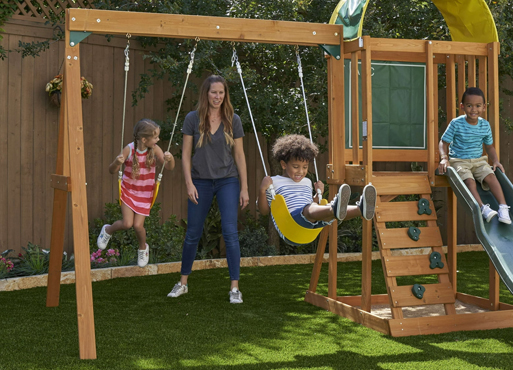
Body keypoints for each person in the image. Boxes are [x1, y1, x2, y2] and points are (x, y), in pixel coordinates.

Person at [167, 75, 249, 302]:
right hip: (200, 181)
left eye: (221, 92)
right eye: (214, 92)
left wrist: (244, 188)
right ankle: (182, 283)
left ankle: (234, 288)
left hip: (227, 181)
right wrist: (189, 184)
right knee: (193, 233)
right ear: (206, 94)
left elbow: (240, 155)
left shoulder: (233, 119)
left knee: (230, 233)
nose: (218, 97)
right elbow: (185, 155)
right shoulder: (193, 119)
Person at [257, 134, 377, 245]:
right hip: (291, 226)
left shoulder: (307, 182)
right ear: (284, 165)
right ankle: (334, 207)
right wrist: (262, 190)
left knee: (328, 214)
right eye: (295, 167)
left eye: (305, 167)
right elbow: (264, 211)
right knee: (312, 209)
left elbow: (312, 205)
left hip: (310, 226)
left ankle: (361, 209)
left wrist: (316, 196)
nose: (301, 171)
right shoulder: (273, 182)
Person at [97, 119, 175, 267]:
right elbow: (111, 170)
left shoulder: (155, 150)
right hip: (128, 191)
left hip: (145, 194)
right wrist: (117, 162)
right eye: (155, 137)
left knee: (138, 226)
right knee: (127, 224)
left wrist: (169, 160)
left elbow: (169, 167)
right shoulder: (129, 149)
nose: (158, 140)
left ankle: (142, 248)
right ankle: (108, 230)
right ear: (144, 139)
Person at [436, 87, 511, 224]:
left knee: (491, 177)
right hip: (459, 161)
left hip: (479, 161)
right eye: (469, 106)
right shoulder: (456, 123)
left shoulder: (485, 125)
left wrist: (495, 161)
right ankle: (482, 208)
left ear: (483, 107)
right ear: (462, 106)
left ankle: (503, 207)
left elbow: (489, 147)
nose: (473, 109)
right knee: (469, 181)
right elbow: (443, 142)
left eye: (478, 106)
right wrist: (444, 158)